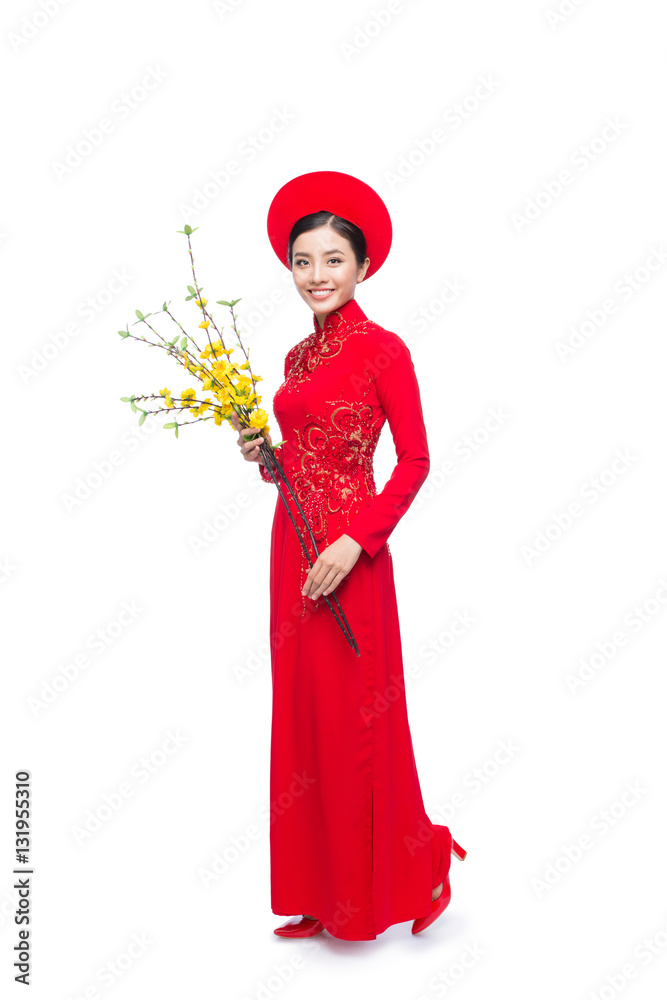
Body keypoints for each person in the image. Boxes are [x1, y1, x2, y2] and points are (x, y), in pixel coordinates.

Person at [231, 171, 467, 941]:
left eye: (332, 260)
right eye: (303, 261)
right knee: (302, 716)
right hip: (287, 543)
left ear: (362, 267)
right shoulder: (298, 357)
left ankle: (396, 881)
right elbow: (298, 457)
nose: (316, 276)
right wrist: (263, 453)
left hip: (351, 551)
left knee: (355, 719)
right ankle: (319, 892)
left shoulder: (383, 351)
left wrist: (355, 538)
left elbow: (415, 462)